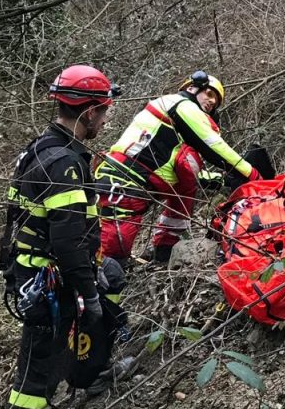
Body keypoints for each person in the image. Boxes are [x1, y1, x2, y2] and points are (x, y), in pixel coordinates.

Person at [0, 66, 122, 409]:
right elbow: (67, 243)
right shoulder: (64, 162)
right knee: (36, 375)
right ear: (85, 112)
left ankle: (93, 370)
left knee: (55, 354)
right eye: (102, 112)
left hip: (32, 275)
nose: (105, 120)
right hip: (46, 282)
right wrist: (88, 291)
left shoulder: (43, 148)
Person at [96, 71, 258, 266]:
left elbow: (185, 170)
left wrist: (222, 180)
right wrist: (251, 173)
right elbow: (214, 146)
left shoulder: (177, 128)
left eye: (215, 101)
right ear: (192, 87)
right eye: (209, 94)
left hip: (140, 182)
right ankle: (99, 286)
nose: (211, 102)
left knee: (185, 191)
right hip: (124, 181)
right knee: (114, 251)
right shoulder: (182, 105)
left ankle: (164, 249)